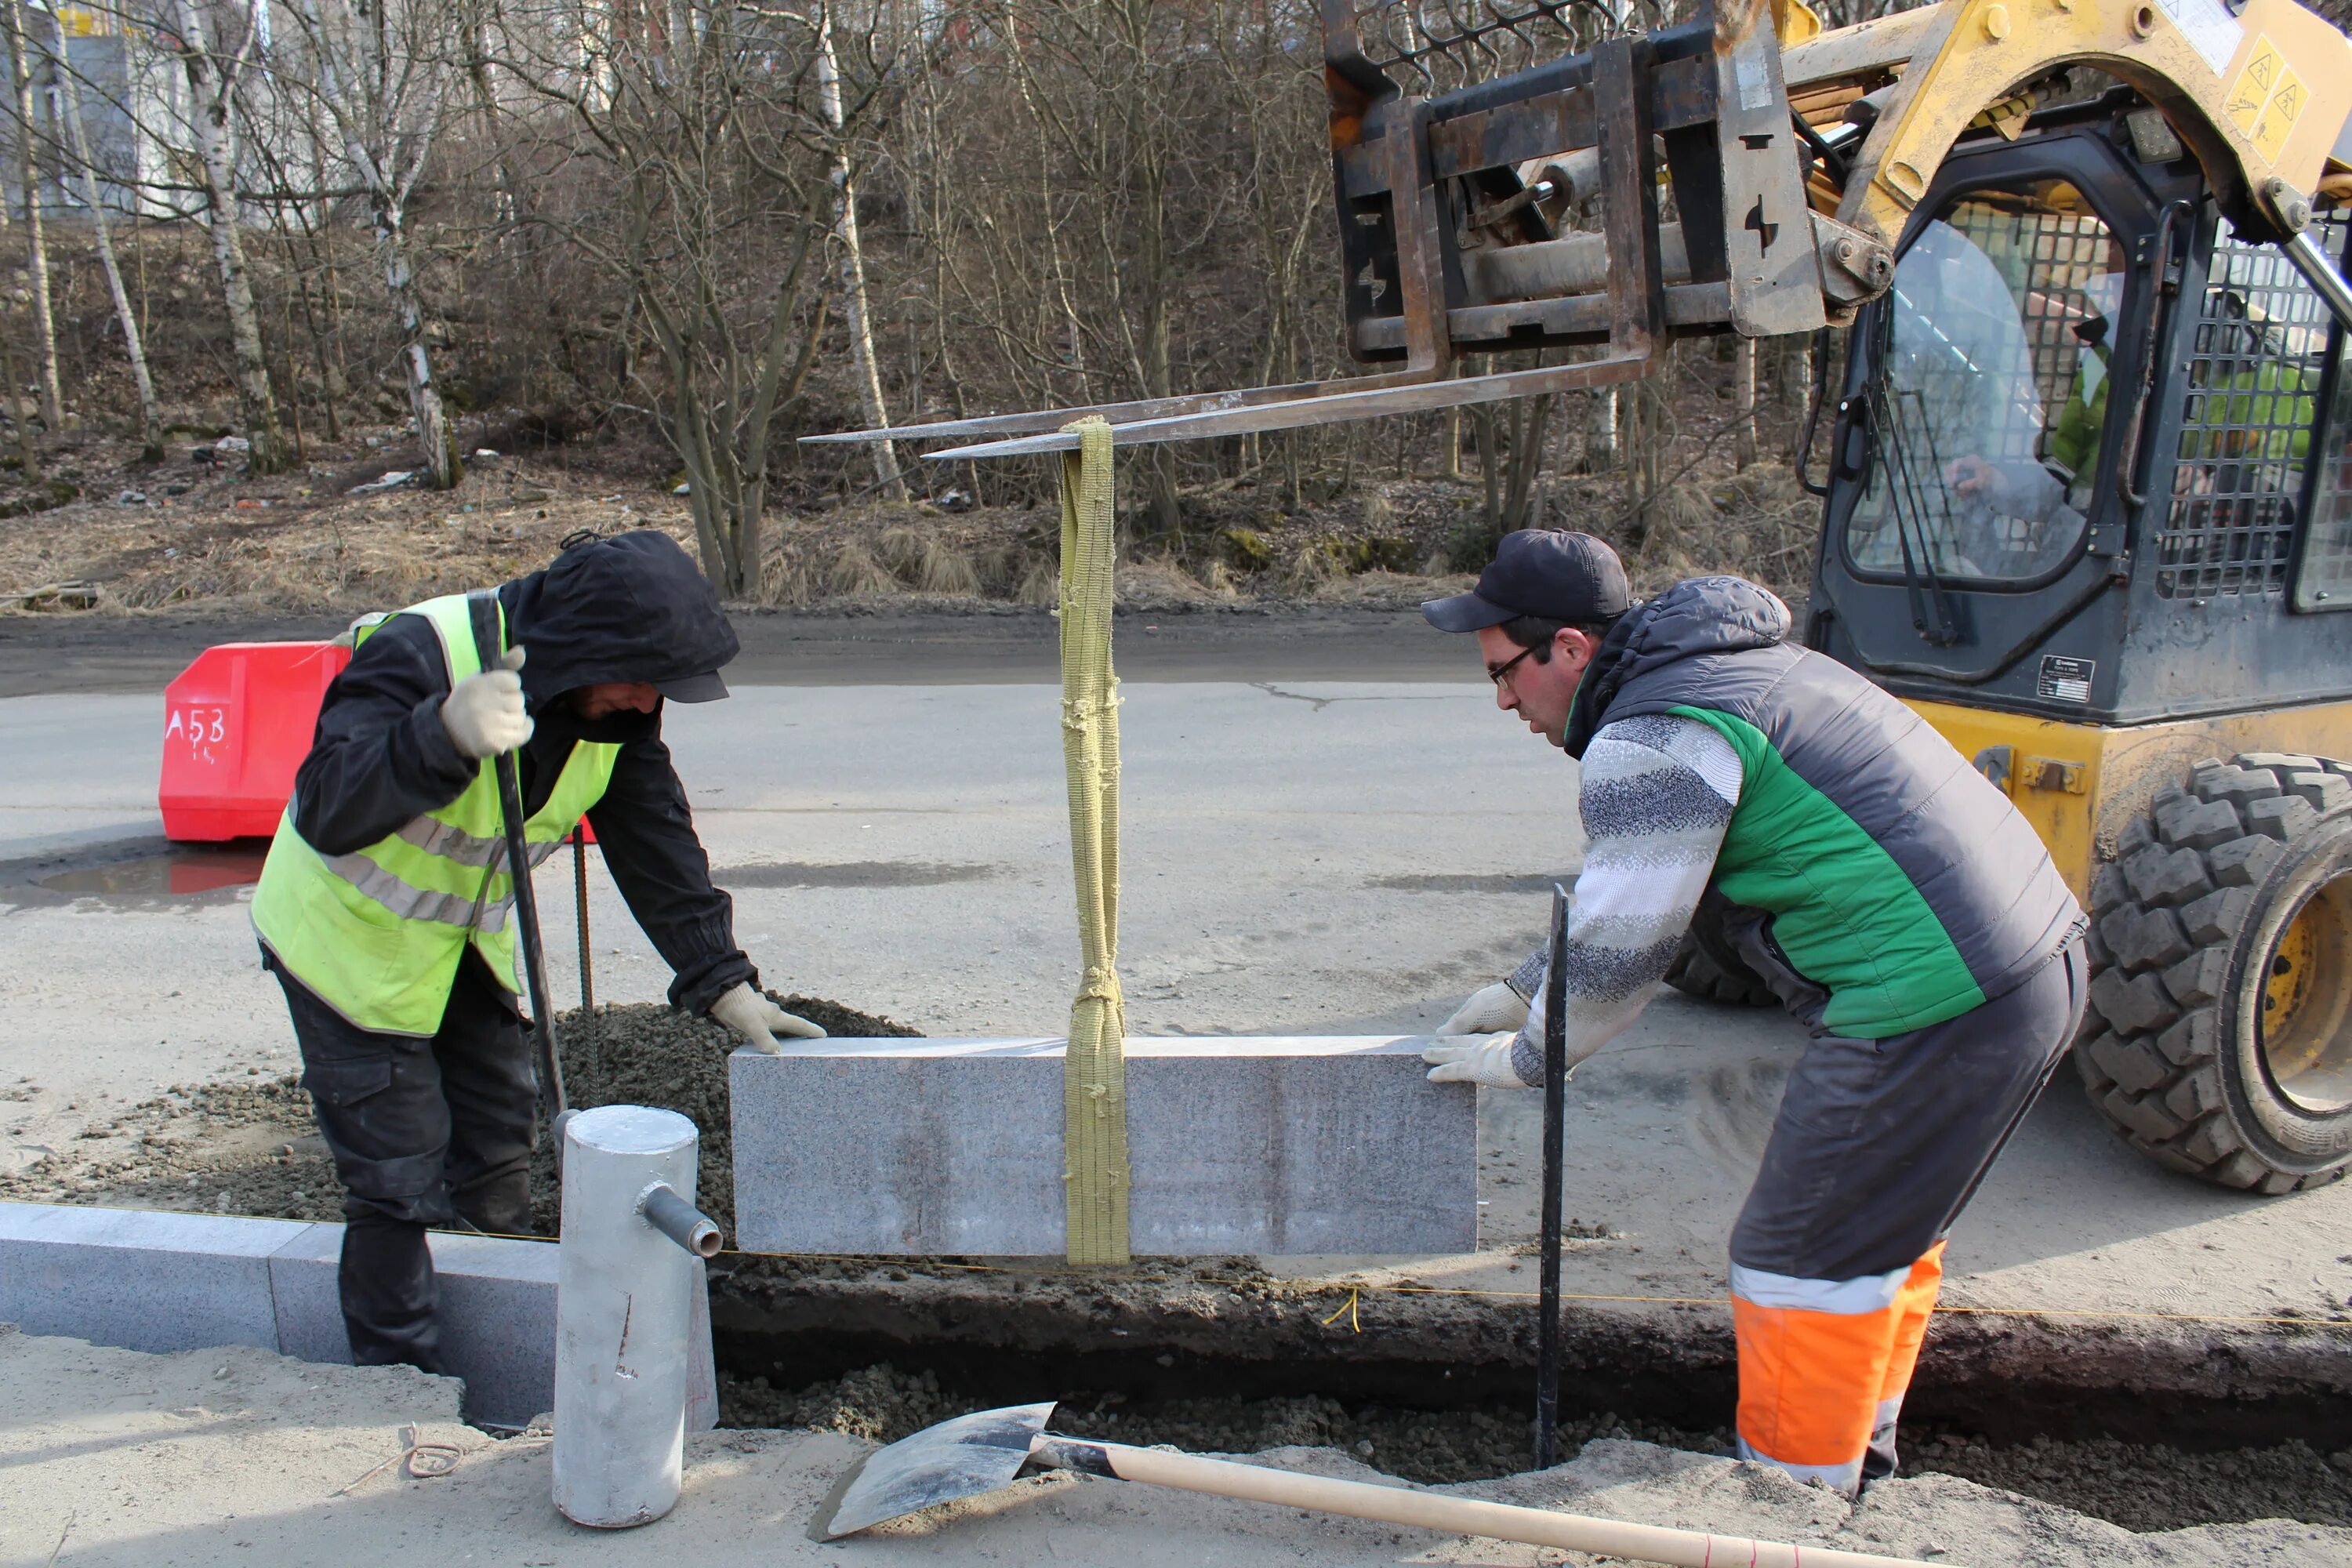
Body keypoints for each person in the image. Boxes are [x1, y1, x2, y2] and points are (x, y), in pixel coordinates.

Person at [1420, 530, 2085, 1494]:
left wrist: (1532, 1052)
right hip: (2034, 963)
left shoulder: (1653, 733)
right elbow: (1655, 885)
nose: (1503, 701)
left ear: (1569, 648)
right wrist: (1529, 983)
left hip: (1934, 998)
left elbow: (1625, 951)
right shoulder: (1740, 666)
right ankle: (1862, 1465)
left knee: (1799, 1259)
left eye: (1505, 673)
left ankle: (1794, 1502)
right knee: (1878, 1245)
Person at [251, 529, 826, 1372]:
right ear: (581, 648)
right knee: (394, 1175)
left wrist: (720, 977)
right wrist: (439, 735)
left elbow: (653, 839)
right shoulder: (423, 650)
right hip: (345, 947)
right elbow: (329, 802)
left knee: (495, 1139)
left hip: (456, 948)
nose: (645, 700)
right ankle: (396, 1383)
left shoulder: (612, 710)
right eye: (637, 677)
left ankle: (498, 1325)